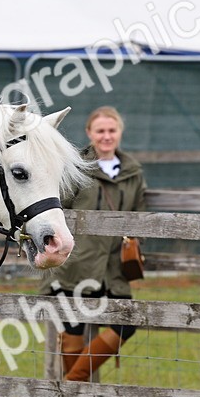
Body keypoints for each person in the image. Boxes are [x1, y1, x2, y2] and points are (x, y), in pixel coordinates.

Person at [40, 106, 148, 382]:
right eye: (100, 131)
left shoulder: (133, 173)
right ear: (89, 133)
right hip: (75, 265)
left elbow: (141, 217)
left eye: (112, 130)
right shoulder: (75, 166)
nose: (106, 136)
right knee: (73, 330)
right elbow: (56, 209)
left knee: (126, 324)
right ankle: (78, 393)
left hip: (113, 270)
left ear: (120, 133)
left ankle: (72, 384)